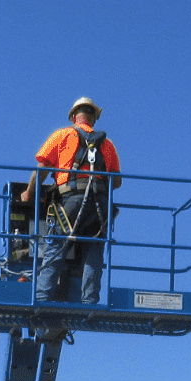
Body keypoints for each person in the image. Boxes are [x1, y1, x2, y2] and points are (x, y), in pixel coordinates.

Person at [22, 97, 120, 305]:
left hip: (70, 202)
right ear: (93, 119)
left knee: (55, 247)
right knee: (93, 252)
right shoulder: (108, 145)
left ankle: (42, 298)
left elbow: (42, 170)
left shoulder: (61, 135)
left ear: (74, 117)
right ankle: (89, 301)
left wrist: (29, 195)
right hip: (99, 206)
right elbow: (117, 181)